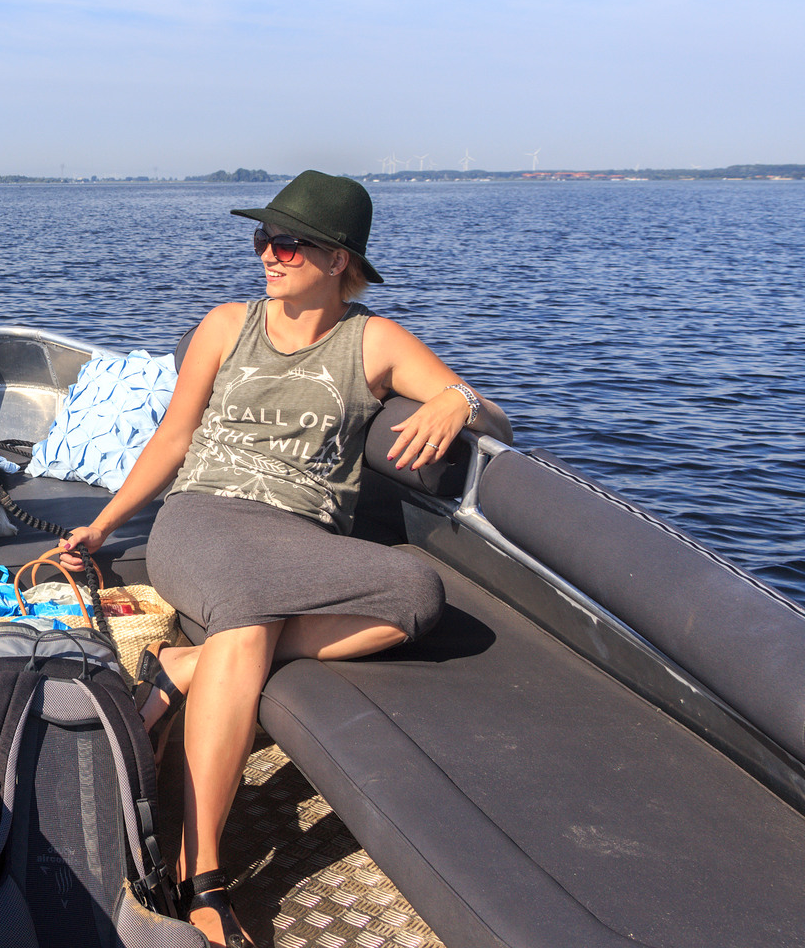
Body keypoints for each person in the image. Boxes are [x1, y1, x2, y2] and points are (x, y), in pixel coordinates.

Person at [58, 170, 501, 947]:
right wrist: (103, 525)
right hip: (202, 520)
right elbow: (174, 437)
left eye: (289, 242)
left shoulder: (375, 340)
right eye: (264, 237)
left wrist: (458, 399)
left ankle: (178, 671)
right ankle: (203, 875)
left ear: (339, 261)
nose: (269, 252)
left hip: (300, 535)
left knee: (416, 594)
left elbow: (485, 408)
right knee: (249, 617)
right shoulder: (228, 324)